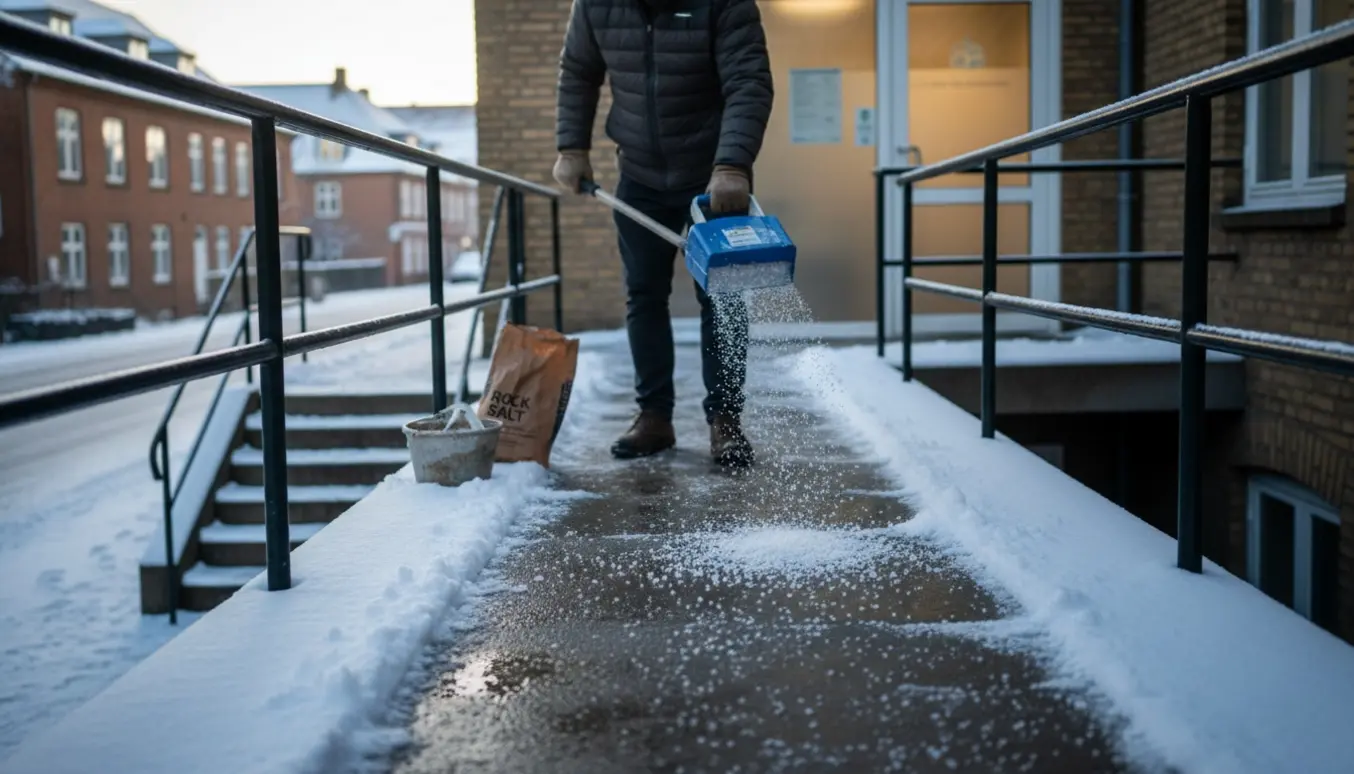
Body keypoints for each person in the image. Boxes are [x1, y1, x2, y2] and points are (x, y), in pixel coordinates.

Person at [551, 0, 774, 468]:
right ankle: (654, 416)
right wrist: (572, 146)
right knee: (644, 295)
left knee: (724, 296)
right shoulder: (596, 6)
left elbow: (748, 82)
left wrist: (732, 165)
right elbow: (578, 71)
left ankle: (726, 421)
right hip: (639, 178)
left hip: (713, 178)